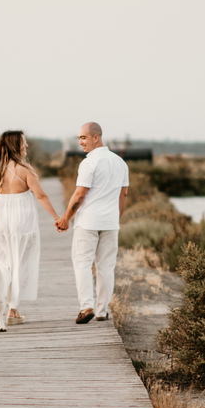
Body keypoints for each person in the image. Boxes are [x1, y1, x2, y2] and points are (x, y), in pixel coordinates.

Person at [0, 130, 61, 324]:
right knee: (20, 264)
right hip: (22, 224)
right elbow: (41, 196)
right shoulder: (25, 170)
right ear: (15, 146)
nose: (26, 146)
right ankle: (12, 311)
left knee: (1, 264)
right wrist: (57, 217)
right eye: (23, 143)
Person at [55, 122, 129, 324]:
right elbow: (123, 194)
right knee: (106, 267)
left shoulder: (89, 163)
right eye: (79, 138)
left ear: (96, 137)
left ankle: (86, 306)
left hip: (88, 221)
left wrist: (66, 218)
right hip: (110, 222)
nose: (80, 142)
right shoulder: (120, 163)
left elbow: (80, 194)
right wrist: (116, 217)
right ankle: (102, 311)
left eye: (83, 138)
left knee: (83, 264)